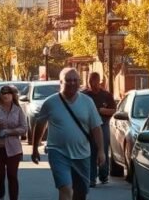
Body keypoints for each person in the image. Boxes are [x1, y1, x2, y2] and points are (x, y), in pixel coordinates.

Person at [31, 68, 104, 200]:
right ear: (61, 82)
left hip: (82, 154)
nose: (72, 83)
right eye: (68, 80)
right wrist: (35, 148)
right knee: (65, 188)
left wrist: (101, 151)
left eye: (75, 80)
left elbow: (96, 128)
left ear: (79, 82)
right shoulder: (50, 102)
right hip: (58, 152)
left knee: (80, 193)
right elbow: (40, 125)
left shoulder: (87, 102)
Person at [0, 84, 28, 200]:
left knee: (12, 176)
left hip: (14, 149)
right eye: (3, 93)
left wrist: (10, 131)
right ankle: (2, 196)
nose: (6, 96)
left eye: (8, 93)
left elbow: (24, 128)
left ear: (13, 95)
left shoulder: (18, 109)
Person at [81, 72, 114, 187]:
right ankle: (92, 178)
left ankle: (103, 175)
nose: (92, 83)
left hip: (102, 125)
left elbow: (114, 110)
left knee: (103, 149)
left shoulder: (106, 95)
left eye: (95, 80)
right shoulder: (84, 95)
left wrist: (101, 111)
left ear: (99, 81)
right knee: (90, 151)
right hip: (88, 126)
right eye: (90, 80)